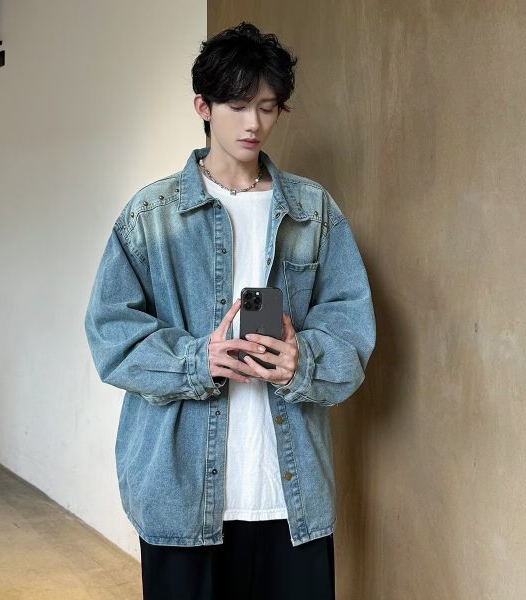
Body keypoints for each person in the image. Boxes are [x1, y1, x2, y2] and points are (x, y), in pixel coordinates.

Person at [84, 21, 376, 600]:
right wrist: (199, 360)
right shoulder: (151, 215)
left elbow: (351, 327)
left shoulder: (312, 211)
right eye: (238, 106)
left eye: (267, 108)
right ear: (204, 106)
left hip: (289, 497)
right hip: (180, 494)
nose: (253, 124)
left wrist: (302, 360)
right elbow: (111, 337)